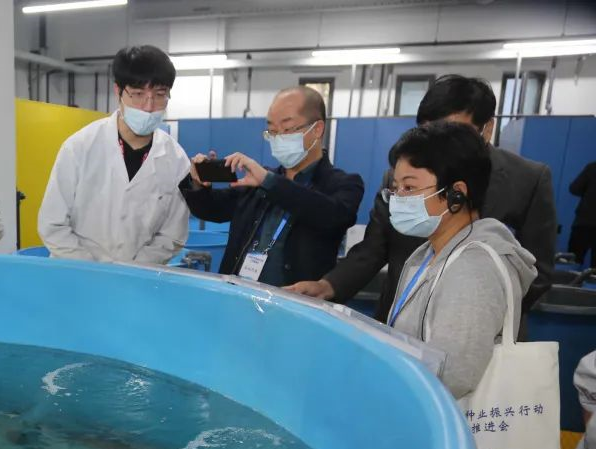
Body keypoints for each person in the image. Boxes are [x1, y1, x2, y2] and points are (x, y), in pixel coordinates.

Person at [288, 75, 555, 320]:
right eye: (430, 132)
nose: (438, 146)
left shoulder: (527, 179)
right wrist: (327, 286)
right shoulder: (401, 180)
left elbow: (538, 271)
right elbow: (372, 250)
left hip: (480, 328)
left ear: (486, 129)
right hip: (401, 320)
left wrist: (481, 313)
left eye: (452, 132)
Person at [384, 121, 536, 398]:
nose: (398, 198)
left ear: (457, 193)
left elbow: (453, 375)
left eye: (409, 187)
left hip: (443, 414)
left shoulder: (474, 268)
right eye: (395, 188)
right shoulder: (427, 253)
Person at [182, 86, 364, 286]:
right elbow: (213, 209)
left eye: (287, 129)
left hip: (293, 300)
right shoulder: (260, 181)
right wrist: (198, 184)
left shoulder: (343, 184)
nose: (278, 138)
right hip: (238, 293)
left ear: (317, 129)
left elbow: (331, 215)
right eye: (273, 131)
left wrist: (269, 182)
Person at [38, 45, 190, 264]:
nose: (148, 107)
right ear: (118, 91)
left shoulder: (176, 160)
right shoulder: (80, 147)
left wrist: (132, 271)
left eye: (159, 95)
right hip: (77, 272)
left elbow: (172, 235)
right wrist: (94, 271)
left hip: (137, 276)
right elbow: (52, 224)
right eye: (138, 94)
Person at [568, 161, 596, 268]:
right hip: (584, 221)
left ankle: (570, 278)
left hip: (584, 222)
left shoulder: (592, 167)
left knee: (572, 262)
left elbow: (574, 188)